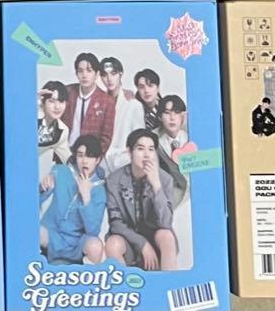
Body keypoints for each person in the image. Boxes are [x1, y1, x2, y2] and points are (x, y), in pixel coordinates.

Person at [104, 130, 177, 271]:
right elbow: (115, 224)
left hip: (156, 242)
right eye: (140, 148)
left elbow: (166, 223)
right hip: (129, 242)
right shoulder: (113, 181)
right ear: (129, 152)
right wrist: (142, 243)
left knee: (167, 236)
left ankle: (167, 281)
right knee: (112, 244)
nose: (146, 155)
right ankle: (125, 283)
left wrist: (156, 186)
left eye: (151, 149)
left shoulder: (165, 179)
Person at [39, 135, 107, 265]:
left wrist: (86, 198)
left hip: (76, 244)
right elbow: (33, 202)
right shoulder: (61, 171)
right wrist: (43, 188)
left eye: (89, 156)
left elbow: (93, 231)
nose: (84, 161)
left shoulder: (100, 191)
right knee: (32, 230)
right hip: (52, 235)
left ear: (97, 160)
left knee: (95, 245)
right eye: (80, 155)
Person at [63, 53, 116, 158]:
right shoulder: (67, 91)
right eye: (80, 71)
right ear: (76, 74)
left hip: (89, 157)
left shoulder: (107, 101)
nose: (84, 75)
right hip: (64, 152)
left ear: (97, 74)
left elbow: (106, 137)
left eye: (89, 70)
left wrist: (92, 158)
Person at [99, 57, 142, 175]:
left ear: (120, 74)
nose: (109, 79)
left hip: (124, 163)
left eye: (113, 73)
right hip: (100, 164)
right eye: (104, 75)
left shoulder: (134, 104)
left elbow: (139, 139)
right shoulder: (98, 102)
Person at [154, 95, 189, 206]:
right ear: (160, 117)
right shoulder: (156, 143)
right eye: (167, 113)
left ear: (183, 116)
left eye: (177, 112)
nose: (172, 118)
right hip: (174, 195)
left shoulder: (192, 137)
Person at [37, 81, 72, 179]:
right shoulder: (30, 116)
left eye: (61, 101)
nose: (57, 107)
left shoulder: (63, 130)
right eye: (51, 101)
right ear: (42, 102)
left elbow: (67, 158)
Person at [134, 68, 163, 133]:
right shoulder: (134, 110)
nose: (146, 90)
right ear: (138, 89)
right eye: (141, 87)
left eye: (150, 85)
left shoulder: (166, 106)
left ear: (158, 88)